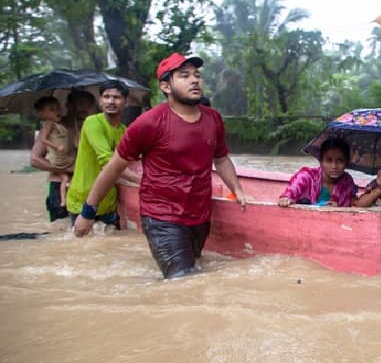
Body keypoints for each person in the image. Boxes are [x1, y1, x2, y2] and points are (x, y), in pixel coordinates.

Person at [74, 53, 246, 279]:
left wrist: (238, 189)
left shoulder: (213, 118)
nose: (195, 80)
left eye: (197, 75)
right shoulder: (148, 123)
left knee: (195, 271)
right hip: (161, 216)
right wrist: (88, 212)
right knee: (182, 280)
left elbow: (221, 158)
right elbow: (114, 167)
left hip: (200, 214)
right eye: (184, 76)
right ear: (166, 86)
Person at [66, 80, 139, 230]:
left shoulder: (124, 131)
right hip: (82, 201)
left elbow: (134, 158)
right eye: (106, 97)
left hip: (109, 204)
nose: (111, 101)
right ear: (100, 101)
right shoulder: (92, 122)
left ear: (125, 102)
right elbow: (108, 162)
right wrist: (142, 180)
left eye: (117, 97)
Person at [30, 89, 96, 221]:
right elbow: (35, 160)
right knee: (60, 230)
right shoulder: (55, 126)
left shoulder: (96, 127)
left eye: (88, 105)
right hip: (60, 183)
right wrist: (64, 170)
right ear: (68, 106)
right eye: (80, 104)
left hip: (89, 187)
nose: (84, 109)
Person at [278, 138, 358, 207]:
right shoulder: (306, 176)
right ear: (321, 161)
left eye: (340, 161)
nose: (334, 166)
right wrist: (286, 199)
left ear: (346, 163)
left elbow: (355, 204)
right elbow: (291, 192)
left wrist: (371, 192)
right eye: (329, 161)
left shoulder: (347, 181)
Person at [33, 96, 75, 207]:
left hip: (85, 185)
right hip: (60, 181)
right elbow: (35, 160)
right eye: (76, 103)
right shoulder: (51, 125)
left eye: (86, 103)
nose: (80, 107)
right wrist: (66, 169)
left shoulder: (93, 122)